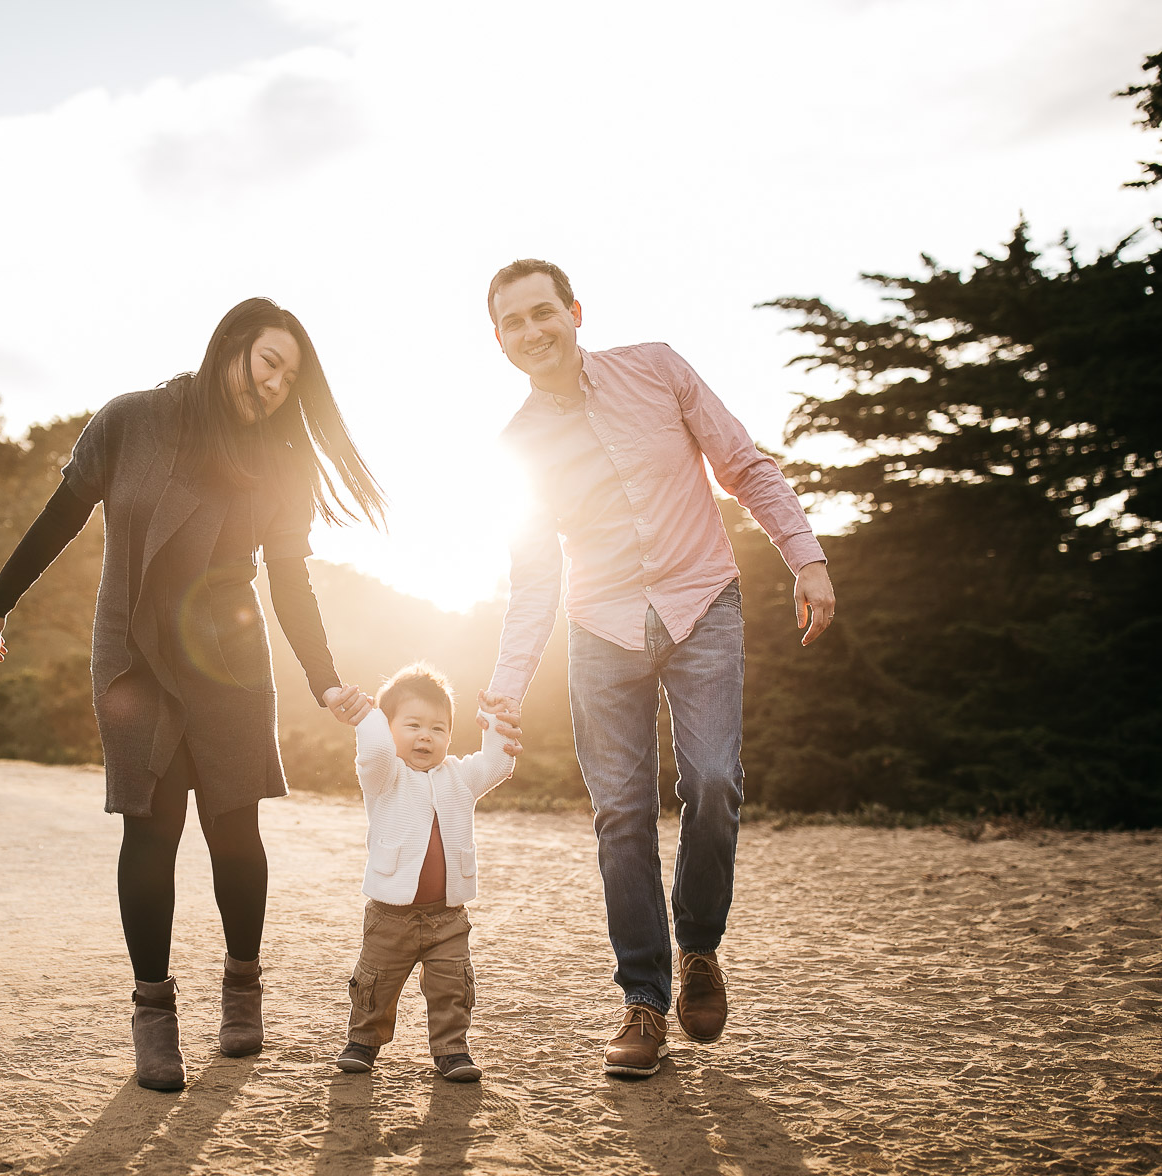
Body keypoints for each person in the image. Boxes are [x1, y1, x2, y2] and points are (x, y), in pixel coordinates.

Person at [0, 297, 384, 1092]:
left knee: (234, 827)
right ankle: (153, 1014)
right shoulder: (130, 421)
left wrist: (324, 677)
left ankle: (242, 985)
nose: (275, 385)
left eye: (290, 378)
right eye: (268, 362)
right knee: (150, 827)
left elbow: (290, 580)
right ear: (231, 347)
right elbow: (63, 514)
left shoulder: (280, 460)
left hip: (228, 653)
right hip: (133, 646)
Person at [477, 259, 836, 1079]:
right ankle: (642, 1000)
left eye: (543, 312)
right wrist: (507, 684)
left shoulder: (658, 368)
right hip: (601, 628)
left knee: (713, 780)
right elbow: (534, 580)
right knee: (621, 815)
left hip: (701, 600)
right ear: (498, 341)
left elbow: (743, 465)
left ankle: (698, 946)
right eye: (513, 322)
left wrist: (805, 557)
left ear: (574, 312)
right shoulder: (518, 446)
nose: (532, 331)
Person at [332, 664, 516, 1082]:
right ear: (389, 729)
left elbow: (497, 764)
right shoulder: (384, 775)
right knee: (374, 984)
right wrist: (369, 716)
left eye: (438, 728)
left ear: (450, 736)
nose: (425, 737)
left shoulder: (459, 777)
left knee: (453, 987)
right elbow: (375, 751)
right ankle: (362, 1041)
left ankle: (452, 1050)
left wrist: (495, 720)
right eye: (412, 725)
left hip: (447, 917)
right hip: (389, 917)